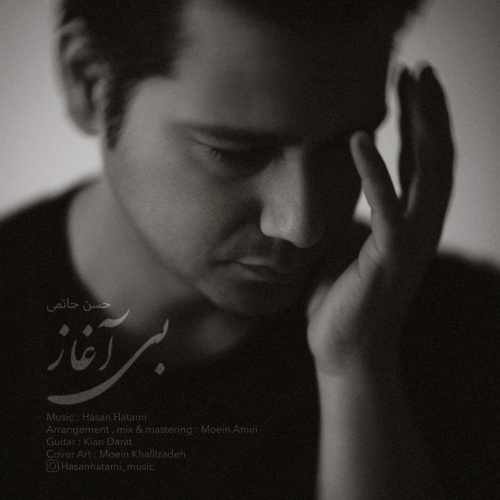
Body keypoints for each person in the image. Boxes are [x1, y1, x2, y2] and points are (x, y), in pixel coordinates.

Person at [1, 1, 498, 499]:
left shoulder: (470, 333)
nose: (300, 228)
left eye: (346, 145)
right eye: (234, 152)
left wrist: (358, 370)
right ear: (88, 81)